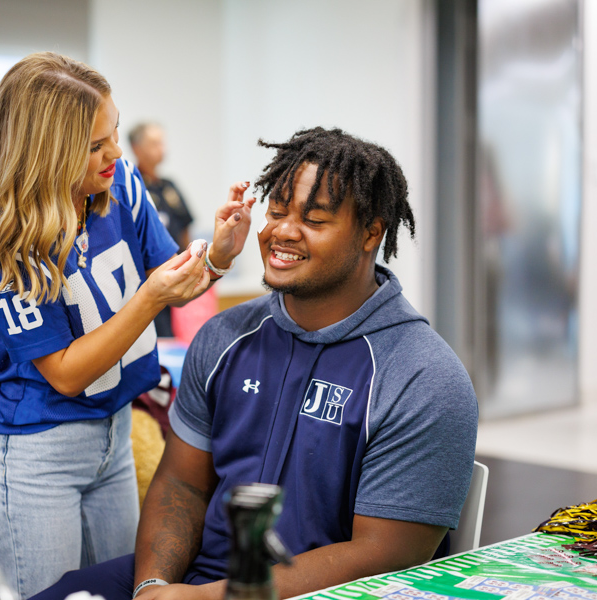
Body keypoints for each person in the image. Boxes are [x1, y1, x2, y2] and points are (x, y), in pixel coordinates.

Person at [31, 127, 479, 600]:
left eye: (315, 220)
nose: (282, 231)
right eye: (277, 211)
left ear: (371, 234)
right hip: (199, 577)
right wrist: (153, 586)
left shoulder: (424, 377)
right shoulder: (225, 337)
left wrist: (209, 598)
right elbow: (181, 484)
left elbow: (385, 556)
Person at [0, 52, 255, 600]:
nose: (117, 153)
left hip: (113, 438)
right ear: (49, 153)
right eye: (96, 146)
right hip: (39, 455)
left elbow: (175, 276)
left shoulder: (123, 186)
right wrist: (147, 301)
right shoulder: (9, 244)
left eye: (115, 132)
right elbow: (67, 375)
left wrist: (216, 256)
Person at [129, 122, 195, 337]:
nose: (162, 149)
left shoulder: (168, 186)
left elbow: (185, 227)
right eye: (155, 143)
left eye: (162, 143)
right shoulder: (132, 187)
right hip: (146, 282)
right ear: (137, 148)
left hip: (176, 276)